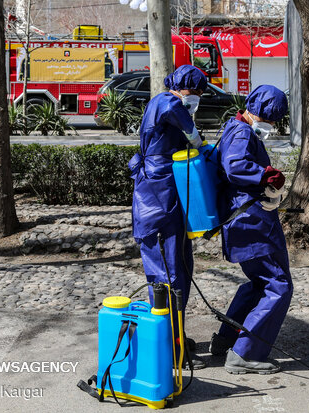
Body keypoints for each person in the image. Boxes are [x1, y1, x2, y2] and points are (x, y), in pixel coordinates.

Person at [210, 85, 293, 374]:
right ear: (261, 113)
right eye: (270, 120)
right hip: (252, 223)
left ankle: (226, 341)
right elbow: (235, 167)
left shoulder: (235, 127)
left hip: (243, 220)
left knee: (259, 284)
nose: (271, 126)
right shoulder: (243, 132)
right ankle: (244, 354)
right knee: (278, 285)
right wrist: (267, 175)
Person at [128, 64, 207, 368]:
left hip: (155, 199)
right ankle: (172, 350)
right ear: (184, 86)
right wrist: (204, 147)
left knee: (175, 269)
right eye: (197, 91)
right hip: (161, 202)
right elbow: (192, 133)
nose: (198, 97)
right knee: (171, 274)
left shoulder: (158, 101)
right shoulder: (171, 103)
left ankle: (174, 336)